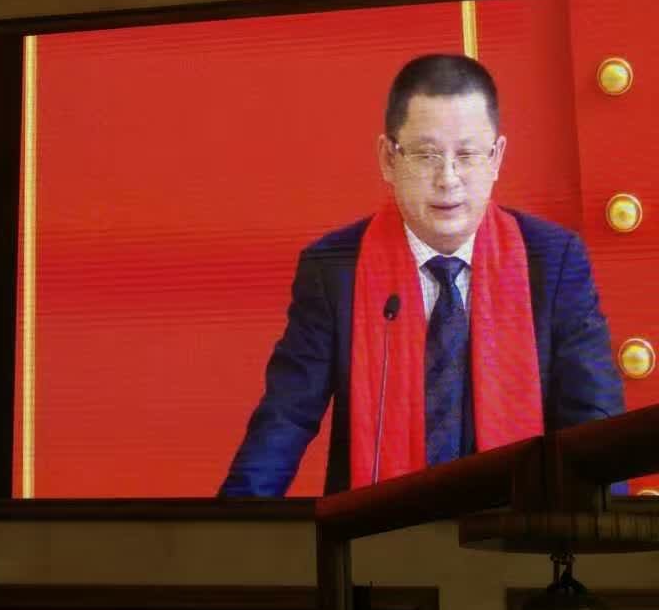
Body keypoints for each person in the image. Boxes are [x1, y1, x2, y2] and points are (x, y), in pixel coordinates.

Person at [220, 54, 623, 497]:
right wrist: (233, 526)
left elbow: (593, 420)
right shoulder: (334, 268)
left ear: (496, 158)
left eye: (466, 155)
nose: (448, 179)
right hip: (377, 531)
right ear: (388, 159)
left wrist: (602, 529)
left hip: (516, 531)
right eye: (427, 155)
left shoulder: (553, 260)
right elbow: (285, 418)